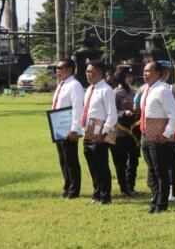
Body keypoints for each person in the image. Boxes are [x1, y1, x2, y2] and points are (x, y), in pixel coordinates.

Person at [139, 61, 175, 213]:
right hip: (146, 135)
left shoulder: (163, 90)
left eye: (148, 71)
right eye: (144, 71)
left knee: (160, 171)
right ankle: (154, 200)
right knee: (152, 171)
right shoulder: (146, 90)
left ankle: (162, 204)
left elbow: (174, 114)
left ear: (158, 73)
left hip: (159, 138)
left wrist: (166, 134)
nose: (145, 74)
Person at [81, 60, 117, 205]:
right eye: (87, 72)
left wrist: (104, 132)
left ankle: (105, 196)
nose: (88, 74)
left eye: (92, 72)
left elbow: (112, 115)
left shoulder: (106, 90)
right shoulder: (89, 90)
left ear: (101, 73)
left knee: (102, 165)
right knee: (92, 166)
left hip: (100, 134)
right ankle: (96, 194)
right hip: (88, 132)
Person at [50, 59, 84, 199]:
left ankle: (74, 190)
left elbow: (78, 108)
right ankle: (67, 186)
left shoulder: (74, 85)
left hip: (68, 128)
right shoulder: (62, 84)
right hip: (59, 127)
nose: (57, 71)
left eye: (60, 68)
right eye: (56, 68)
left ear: (69, 69)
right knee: (63, 159)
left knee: (71, 160)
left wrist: (74, 129)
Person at [111, 68, 140, 197]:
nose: (130, 78)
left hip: (134, 133)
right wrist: (124, 113)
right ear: (120, 77)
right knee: (121, 162)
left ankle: (131, 187)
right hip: (120, 132)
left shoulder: (134, 92)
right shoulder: (115, 93)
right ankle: (123, 188)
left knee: (134, 161)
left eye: (131, 76)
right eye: (127, 76)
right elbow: (112, 112)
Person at [158, 60, 175, 201]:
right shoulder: (147, 89)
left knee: (171, 162)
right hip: (157, 131)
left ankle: (172, 191)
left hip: (170, 131)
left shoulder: (172, 90)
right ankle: (161, 190)